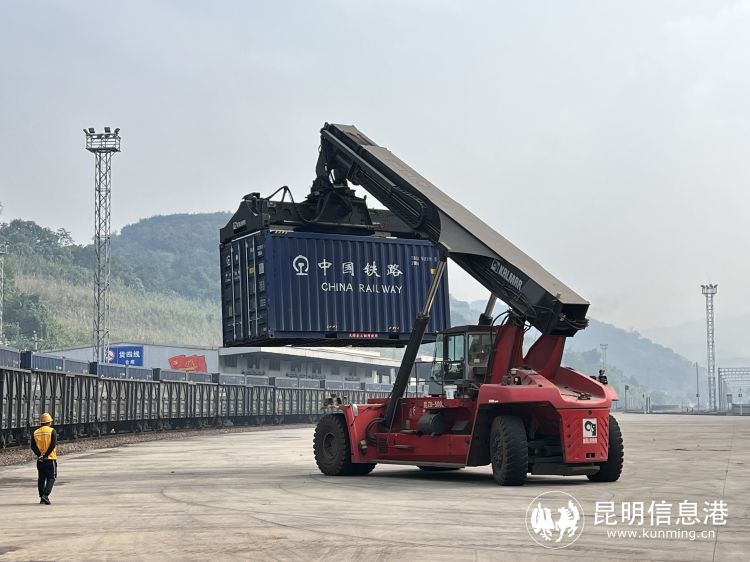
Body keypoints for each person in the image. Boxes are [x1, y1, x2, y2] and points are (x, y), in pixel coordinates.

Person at [30, 412, 58, 505]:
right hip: (50, 459)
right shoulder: (52, 431)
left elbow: (32, 446)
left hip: (40, 460)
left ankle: (41, 497)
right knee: (51, 477)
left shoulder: (35, 432)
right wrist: (46, 455)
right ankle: (45, 495)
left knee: (41, 478)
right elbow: (52, 445)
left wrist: (40, 455)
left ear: (41, 422)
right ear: (49, 422)